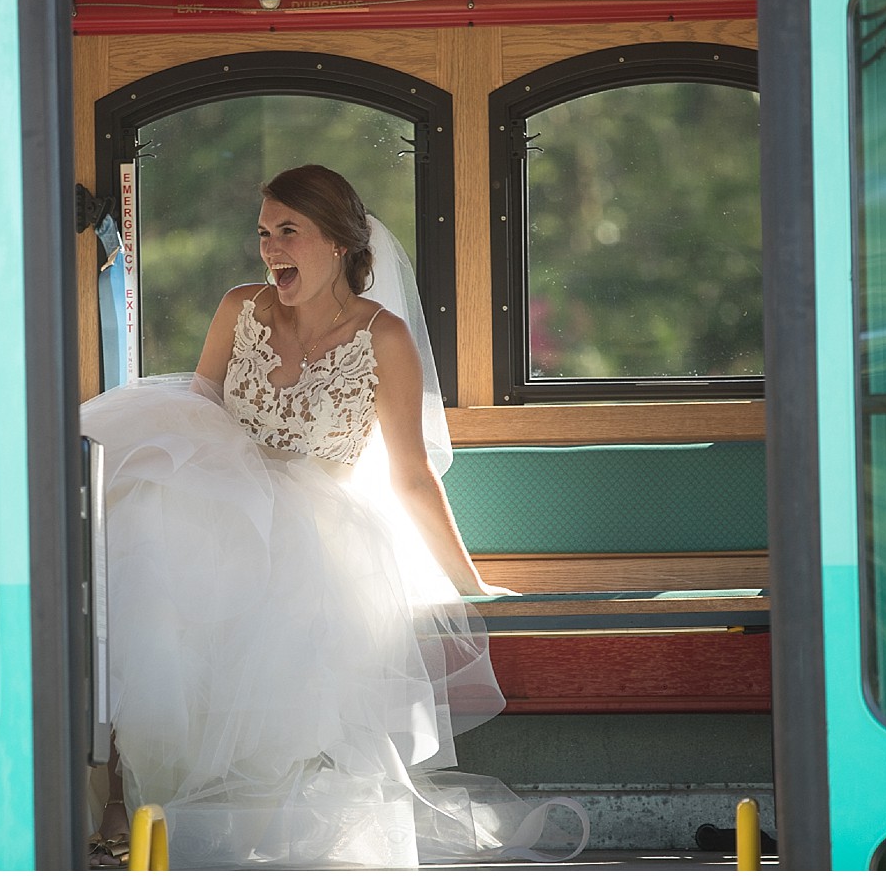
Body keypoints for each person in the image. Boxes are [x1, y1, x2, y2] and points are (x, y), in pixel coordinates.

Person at [81, 165, 585, 868]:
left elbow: (410, 477)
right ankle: (142, 823)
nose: (271, 248)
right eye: (263, 232)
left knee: (285, 626)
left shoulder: (385, 341)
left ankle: (237, 837)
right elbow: (193, 419)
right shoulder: (238, 309)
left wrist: (469, 584)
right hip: (217, 512)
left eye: (289, 231)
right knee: (145, 560)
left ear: (340, 243)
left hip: (315, 535)